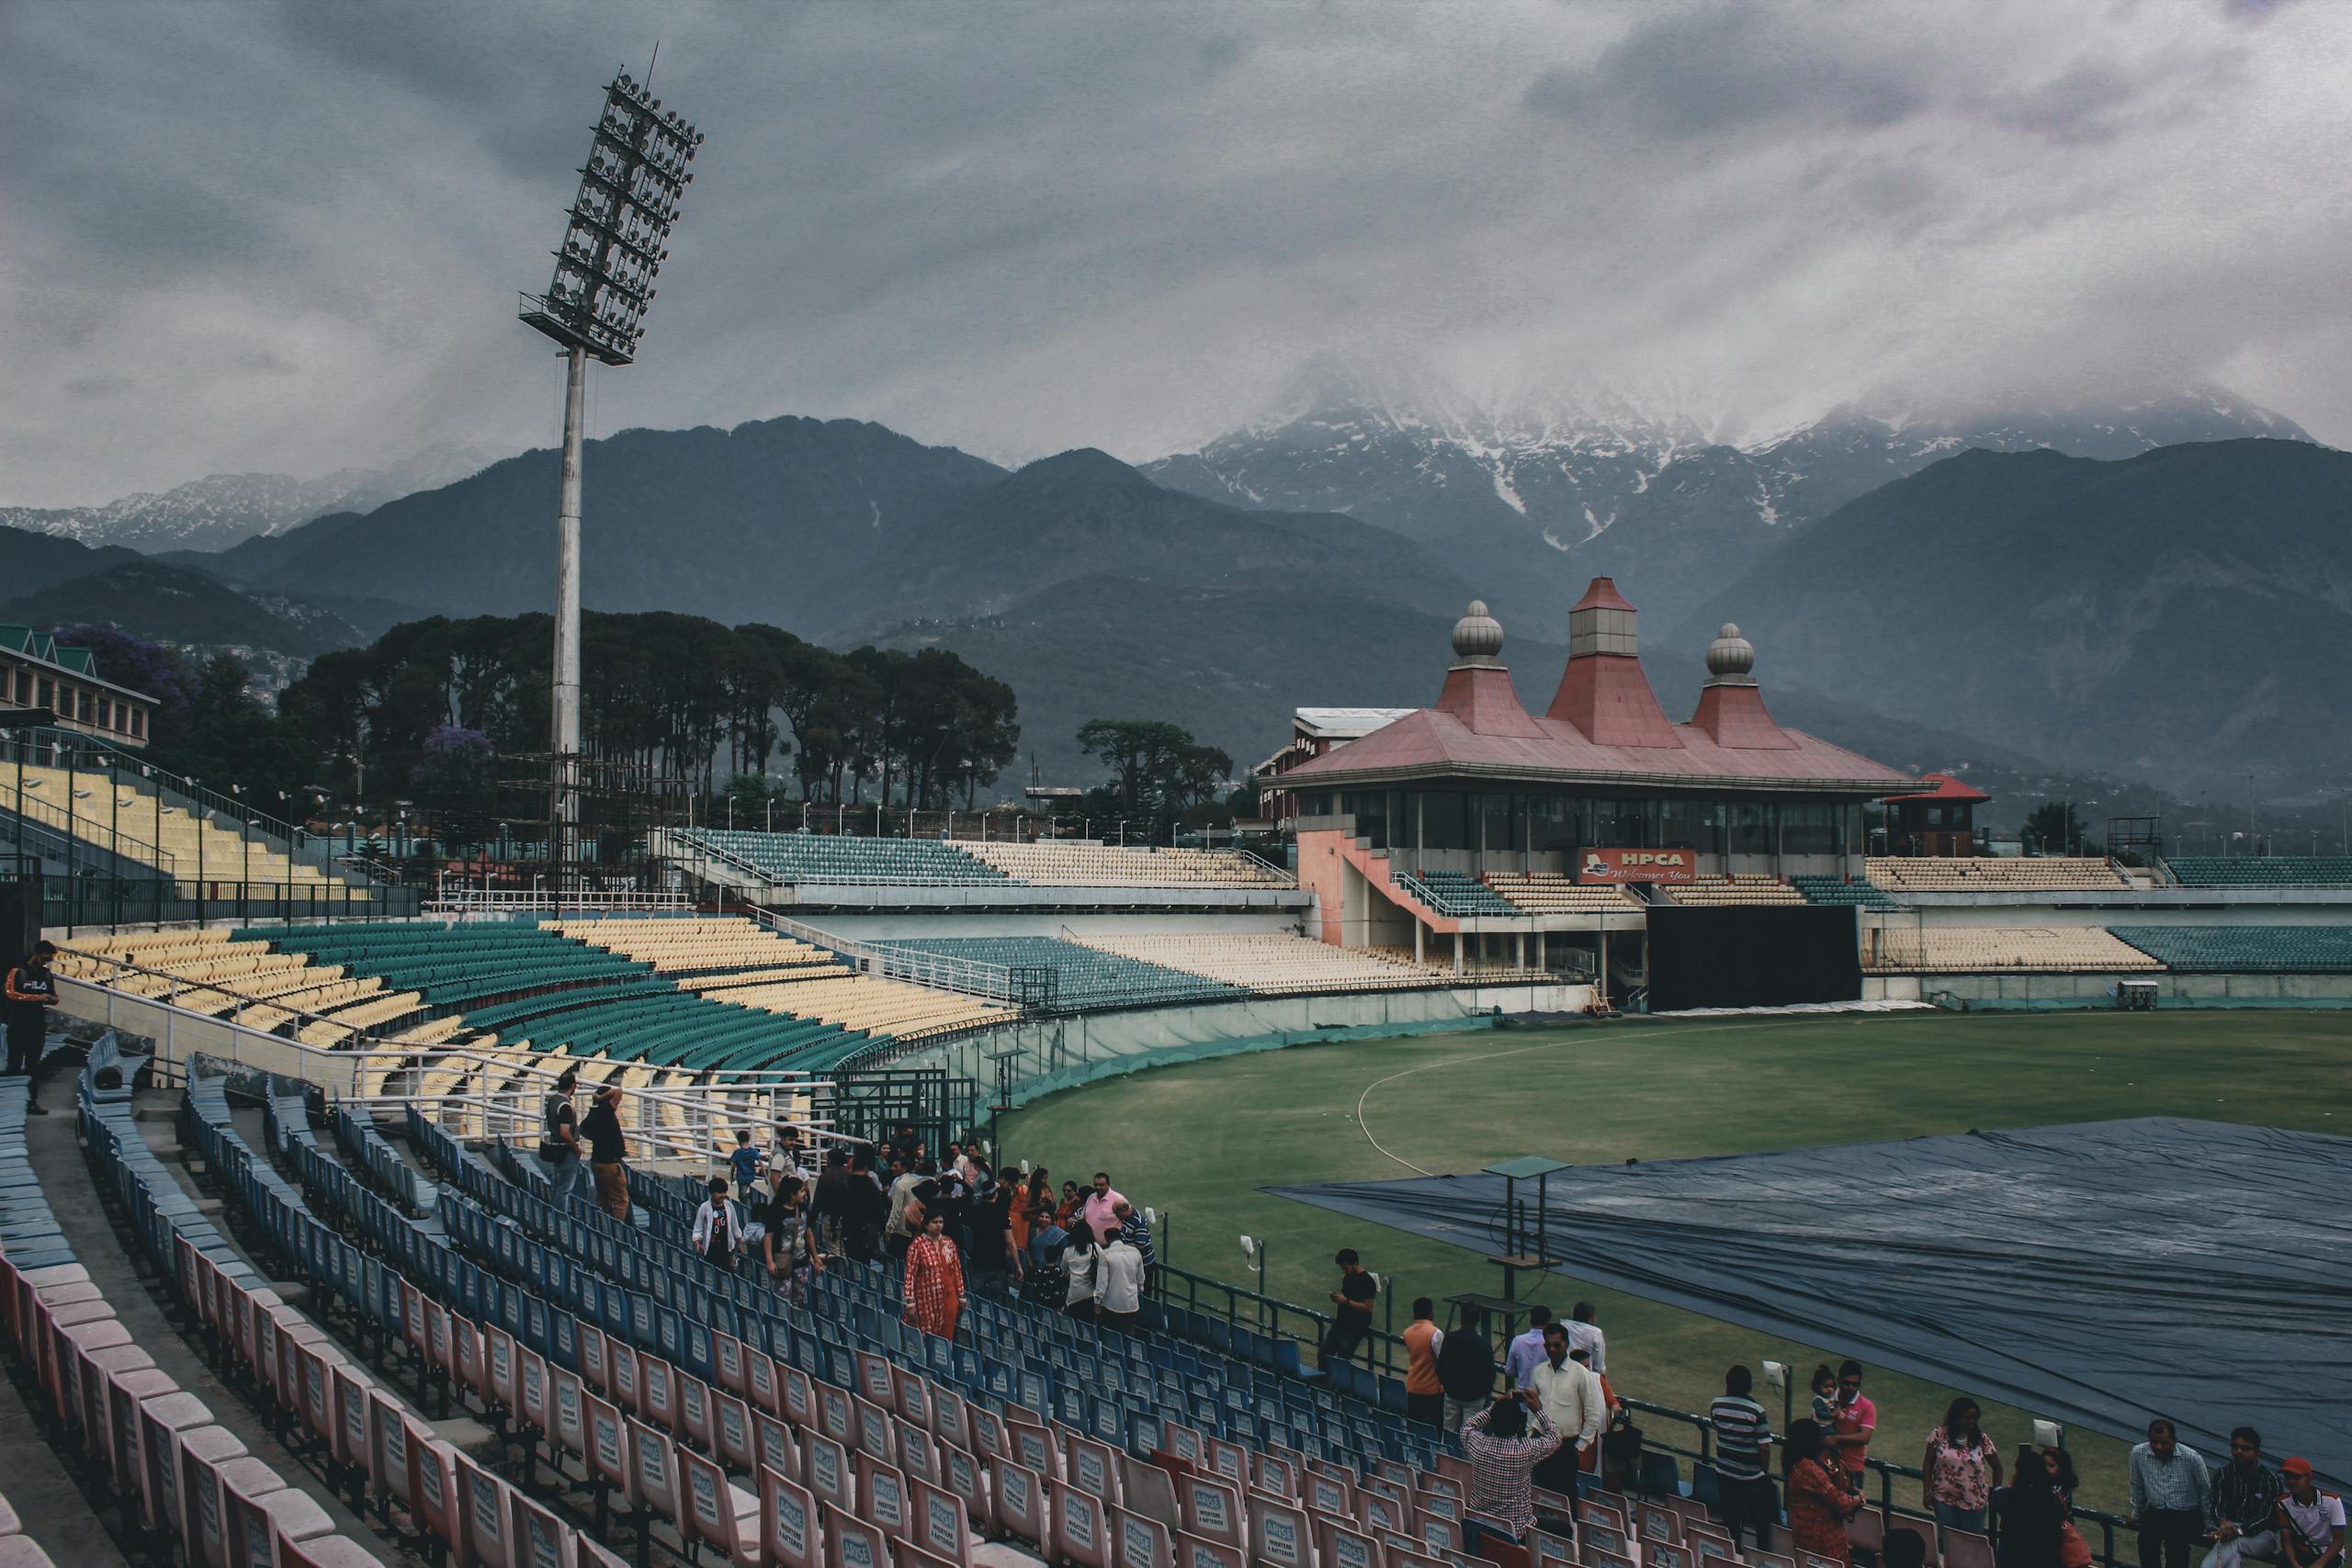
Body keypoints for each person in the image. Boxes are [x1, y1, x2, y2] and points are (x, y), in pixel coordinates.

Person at [1461, 1391, 1563, 1549]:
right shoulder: (1524, 1451)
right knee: (1565, 1529)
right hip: (1517, 1533)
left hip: (1479, 1527)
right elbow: (1555, 1437)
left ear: (1491, 1423)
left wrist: (1495, 1407)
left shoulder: (1477, 1444)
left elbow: (1468, 1426)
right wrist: (1538, 1411)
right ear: (1519, 1426)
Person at [1524, 1322, 1605, 1499]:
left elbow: (1592, 1415)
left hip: (1566, 1446)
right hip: (1540, 1442)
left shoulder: (1580, 1373)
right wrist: (1530, 1435)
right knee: (1540, 1495)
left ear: (1566, 1344)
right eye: (1548, 1345)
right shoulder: (1538, 1372)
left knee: (1565, 1498)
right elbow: (1531, 1407)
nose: (1552, 1349)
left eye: (1556, 1345)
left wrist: (1579, 1447)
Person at [2132, 1418, 2216, 1568]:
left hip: (2187, 1514)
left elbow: (2205, 1492)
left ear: (2174, 1441)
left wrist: (2209, 1525)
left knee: (2176, 1546)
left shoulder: (2192, 1458)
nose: (2159, 1447)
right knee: (2145, 1542)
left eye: (2164, 1443)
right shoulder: (2138, 1453)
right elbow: (2137, 1486)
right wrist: (2136, 1515)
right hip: (2156, 1511)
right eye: (2154, 1442)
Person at [1710, 1364, 1776, 1551]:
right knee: (1762, 1521)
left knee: (1731, 1518)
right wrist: (1764, 1471)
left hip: (1724, 1471)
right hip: (1751, 1476)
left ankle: (1734, 1552)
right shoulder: (1756, 1411)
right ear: (1749, 1386)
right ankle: (1762, 1555)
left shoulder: (1716, 1405)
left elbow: (1717, 1426)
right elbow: (1764, 1448)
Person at [1785, 1419, 1863, 1565]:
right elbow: (1843, 1503)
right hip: (1823, 1541)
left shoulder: (1794, 1461)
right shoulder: (1810, 1469)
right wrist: (1860, 1498)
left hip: (1803, 1536)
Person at [1924, 1398, 2004, 1538]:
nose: (1972, 1421)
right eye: (1967, 1418)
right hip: (1944, 1499)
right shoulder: (1938, 1434)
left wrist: (1995, 1493)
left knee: (1970, 1544)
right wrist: (1926, 1492)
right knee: (1947, 1542)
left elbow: (1997, 1467)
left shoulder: (1981, 1439)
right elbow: (1928, 1463)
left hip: (1973, 1502)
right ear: (1956, 1417)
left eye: (1974, 1418)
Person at [2206, 1427, 2285, 1568]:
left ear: (2257, 1452)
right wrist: (2223, 1522)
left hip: (2263, 1535)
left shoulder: (2270, 1480)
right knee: (2232, 1552)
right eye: (2235, 1447)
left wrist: (2238, 1530)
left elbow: (2267, 1518)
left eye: (2245, 1448)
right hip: (2228, 1530)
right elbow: (2215, 1505)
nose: (2239, 1451)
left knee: (2235, 1543)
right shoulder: (2222, 1475)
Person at [3, 940, 59, 1115]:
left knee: (33, 1066)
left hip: (37, 1025)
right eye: (43, 958)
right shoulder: (17, 971)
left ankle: (31, 1102)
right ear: (36, 953)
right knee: (14, 1064)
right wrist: (37, 998)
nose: (45, 962)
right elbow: (10, 994)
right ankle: (10, 1105)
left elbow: (54, 996)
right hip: (18, 1024)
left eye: (48, 960)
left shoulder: (46, 975)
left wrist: (51, 999)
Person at [1997, 1449, 2069, 1568]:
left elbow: (1997, 1497)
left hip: (2011, 1557)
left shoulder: (2007, 1495)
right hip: (2042, 1558)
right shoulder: (2053, 1499)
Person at [902, 1213, 964, 1340]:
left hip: (949, 1298)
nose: (938, 1225)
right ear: (926, 1225)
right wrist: (910, 1303)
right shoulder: (917, 1245)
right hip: (926, 1300)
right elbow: (910, 1275)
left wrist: (961, 1296)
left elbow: (956, 1271)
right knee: (928, 1337)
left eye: (941, 1222)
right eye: (935, 1222)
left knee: (946, 1337)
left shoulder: (948, 1243)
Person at [1438, 1306, 1498, 1436]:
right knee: (1471, 1436)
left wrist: (1447, 1386)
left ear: (1461, 1318)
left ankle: (1446, 1450)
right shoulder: (1483, 1344)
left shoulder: (1450, 1338)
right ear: (1478, 1320)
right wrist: (1484, 1394)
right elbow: (1490, 1374)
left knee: (1448, 1432)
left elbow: (1440, 1367)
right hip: (1474, 1397)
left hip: (1452, 1393)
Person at [2276, 1458, 2344, 1568]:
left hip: (2328, 1552)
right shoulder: (2283, 1503)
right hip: (2302, 1551)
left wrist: (2318, 1565)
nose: (2291, 1482)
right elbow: (2286, 1540)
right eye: (2288, 1477)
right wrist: (2294, 1563)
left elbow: (2338, 1541)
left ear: (2309, 1478)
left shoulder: (2332, 1501)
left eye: (2297, 1477)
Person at [762, 1175, 821, 1301]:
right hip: (782, 1262)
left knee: (799, 1298)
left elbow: (809, 1235)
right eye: (801, 1191)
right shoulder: (775, 1211)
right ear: (792, 1195)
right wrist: (769, 1261)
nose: (804, 1194)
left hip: (801, 1261)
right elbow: (768, 1237)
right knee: (782, 1298)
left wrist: (816, 1258)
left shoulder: (803, 1209)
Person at [537, 1066, 588, 1209]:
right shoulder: (565, 1106)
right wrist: (576, 1149)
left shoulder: (553, 1100)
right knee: (564, 1188)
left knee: (557, 1184)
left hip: (556, 1148)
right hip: (566, 1151)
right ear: (572, 1086)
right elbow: (565, 1132)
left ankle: (555, 1213)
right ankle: (560, 1217)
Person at [581, 1080, 629, 1221]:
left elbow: (582, 1130)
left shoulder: (593, 1114)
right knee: (620, 1201)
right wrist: (600, 1098)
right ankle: (617, 1230)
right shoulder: (606, 1110)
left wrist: (598, 1138)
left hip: (597, 1161)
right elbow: (619, 1091)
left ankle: (603, 1227)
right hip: (610, 1163)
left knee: (603, 1199)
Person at [1322, 1249, 1377, 1367]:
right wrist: (1338, 1299)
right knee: (1323, 1354)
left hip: (1354, 1329)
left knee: (1342, 1361)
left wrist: (1345, 1302)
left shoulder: (1367, 1281)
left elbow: (1368, 1307)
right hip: (1340, 1324)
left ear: (1355, 1264)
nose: (1344, 1271)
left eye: (1346, 1268)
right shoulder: (1347, 1277)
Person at [1830, 1360, 1877, 1493]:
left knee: (1849, 1503)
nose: (1850, 1387)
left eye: (1855, 1384)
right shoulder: (1827, 1400)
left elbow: (1864, 1437)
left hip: (1852, 1467)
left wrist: (1836, 1439)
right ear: (1839, 1380)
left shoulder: (1867, 1406)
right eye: (1846, 1383)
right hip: (1826, 1462)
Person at [1402, 1297, 1446, 1429]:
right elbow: (1442, 1360)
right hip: (1432, 1391)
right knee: (1436, 1428)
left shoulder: (1407, 1332)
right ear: (1430, 1313)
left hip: (1413, 1387)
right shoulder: (1435, 1333)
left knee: (1415, 1427)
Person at [1096, 1228, 1145, 1334]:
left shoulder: (1105, 1254)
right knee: (1128, 1336)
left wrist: (1097, 1302)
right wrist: (1135, 1294)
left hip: (1111, 1306)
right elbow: (1140, 1279)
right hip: (1131, 1305)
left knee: (1110, 1337)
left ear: (1107, 1239)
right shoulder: (1135, 1252)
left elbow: (1102, 1283)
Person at [693, 1177, 745, 1270]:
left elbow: (735, 1227)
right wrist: (697, 1243)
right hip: (711, 1249)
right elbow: (698, 1229)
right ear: (712, 1193)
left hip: (726, 1248)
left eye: (724, 1192)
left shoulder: (729, 1206)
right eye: (719, 1193)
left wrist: (739, 1243)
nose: (722, 1195)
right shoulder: (704, 1208)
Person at [1505, 1304, 1555, 1388]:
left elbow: (1509, 1371)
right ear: (1549, 1322)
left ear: (1531, 1321)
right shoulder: (1552, 1344)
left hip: (1522, 1392)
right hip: (1544, 1393)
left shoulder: (1518, 1341)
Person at [1063, 1231, 1100, 1321]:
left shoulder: (1068, 1251)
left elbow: (1063, 1270)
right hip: (1090, 1293)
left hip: (1074, 1294)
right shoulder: (1095, 1247)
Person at [1080, 1171, 1126, 1243]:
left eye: (1101, 1185)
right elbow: (1083, 1218)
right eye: (1096, 1185)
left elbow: (1129, 1221)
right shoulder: (1090, 1198)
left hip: (1110, 1246)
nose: (1098, 1187)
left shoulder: (1118, 1200)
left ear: (1108, 1185)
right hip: (1091, 1245)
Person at [1565, 1302, 1607, 1376]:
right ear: (1590, 1319)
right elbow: (1598, 1365)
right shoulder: (1596, 1333)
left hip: (1564, 1371)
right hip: (1585, 1375)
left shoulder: (1563, 1326)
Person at [1114, 1201, 1156, 1274]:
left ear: (1125, 1210)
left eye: (1119, 1214)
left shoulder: (1139, 1222)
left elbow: (1140, 1245)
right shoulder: (1125, 1218)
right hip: (1132, 1262)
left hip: (1144, 1263)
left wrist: (1121, 1246)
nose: (1118, 1217)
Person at [724, 1129, 765, 1199]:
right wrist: (765, 1176)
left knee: (742, 1196)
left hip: (741, 1178)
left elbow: (733, 1166)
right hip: (751, 1177)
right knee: (752, 1195)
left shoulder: (737, 1153)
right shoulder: (753, 1151)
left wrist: (731, 1177)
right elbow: (760, 1163)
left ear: (738, 1141)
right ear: (748, 1140)